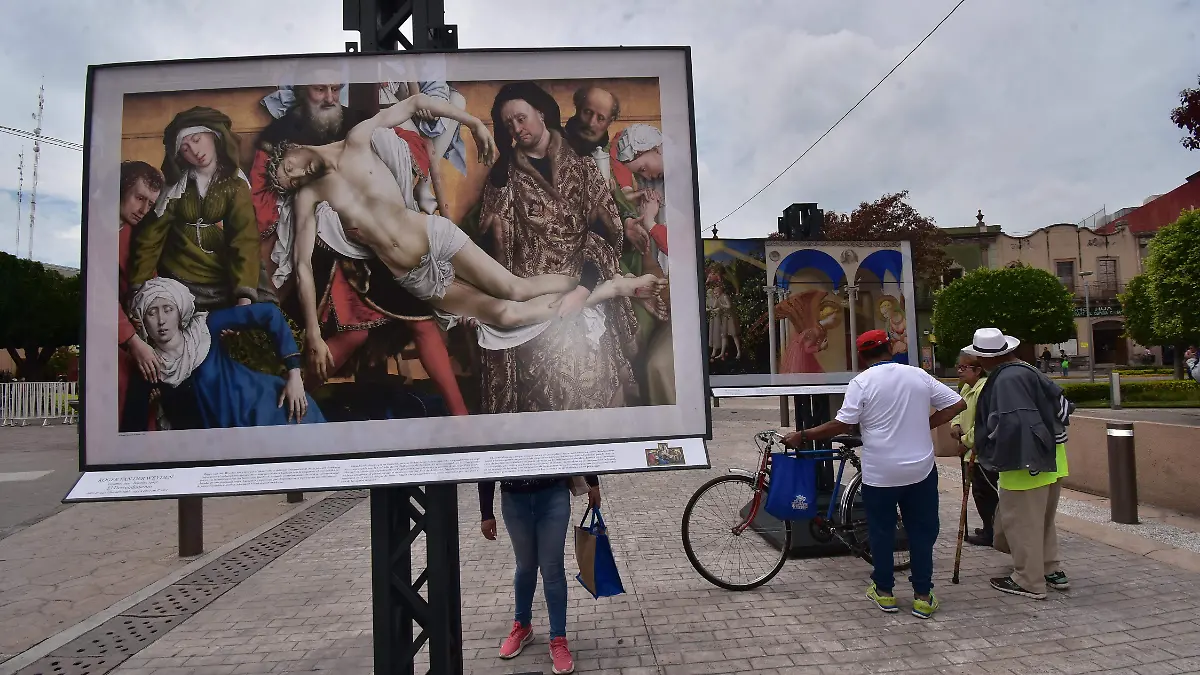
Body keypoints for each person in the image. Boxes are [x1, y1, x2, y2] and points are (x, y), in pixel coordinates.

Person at [266, 92, 664, 352]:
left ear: (293, 150)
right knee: (507, 316)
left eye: (290, 169)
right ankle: (609, 290)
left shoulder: (356, 139)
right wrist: (315, 338)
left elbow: (415, 102)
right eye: (292, 182)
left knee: (515, 288)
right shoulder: (311, 195)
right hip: (413, 275)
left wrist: (472, 123)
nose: (298, 177)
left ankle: (598, 285)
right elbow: (301, 266)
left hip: (433, 236)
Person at [252, 82, 471, 415]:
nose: (327, 98)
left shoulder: (355, 128)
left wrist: (473, 125)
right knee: (352, 335)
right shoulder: (286, 142)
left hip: (385, 241)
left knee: (422, 323)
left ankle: (460, 416)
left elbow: (403, 124)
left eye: (332, 90)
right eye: (318, 90)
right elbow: (296, 249)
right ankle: (282, 409)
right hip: (337, 253)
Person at [477, 81, 654, 412]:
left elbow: (604, 231)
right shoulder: (504, 176)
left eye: (521, 117)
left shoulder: (582, 163)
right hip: (532, 295)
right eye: (508, 124)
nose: (517, 128)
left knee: (591, 377)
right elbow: (490, 243)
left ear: (541, 114)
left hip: (585, 283)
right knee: (543, 387)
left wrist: (584, 289)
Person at [784, 329, 965, 619]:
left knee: (880, 531)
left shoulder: (861, 382)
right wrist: (924, 425)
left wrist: (803, 434)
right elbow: (957, 403)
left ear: (861, 356)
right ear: (891, 348)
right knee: (922, 531)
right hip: (920, 470)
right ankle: (922, 596)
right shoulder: (917, 375)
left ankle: (884, 592)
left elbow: (843, 423)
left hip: (880, 473)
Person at [123, 277, 325, 431]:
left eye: (168, 309)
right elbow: (132, 431)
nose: (161, 320)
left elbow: (269, 314)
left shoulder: (206, 327)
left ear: (180, 312)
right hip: (225, 439)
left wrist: (294, 375)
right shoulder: (148, 367)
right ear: (142, 319)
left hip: (264, 408)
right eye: (152, 312)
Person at [128, 107, 276, 311]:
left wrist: (244, 297)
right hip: (179, 270)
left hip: (221, 269)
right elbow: (151, 237)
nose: (195, 152)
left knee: (260, 311)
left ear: (214, 136)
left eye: (196, 140)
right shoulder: (175, 187)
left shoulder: (235, 184)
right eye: (185, 148)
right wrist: (139, 287)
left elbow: (244, 238)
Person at [966, 327, 1074, 600]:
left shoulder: (1006, 379)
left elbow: (1015, 423)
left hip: (1028, 463)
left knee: (1021, 523)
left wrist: (984, 446)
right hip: (1052, 458)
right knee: (1042, 521)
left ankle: (1028, 579)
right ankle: (1050, 570)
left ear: (985, 358)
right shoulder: (1025, 369)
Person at [479, 476, 601, 674]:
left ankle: (558, 638)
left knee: (552, 567)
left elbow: (571, 445)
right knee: (525, 565)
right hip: (514, 498)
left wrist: (593, 484)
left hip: (553, 494)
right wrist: (486, 512)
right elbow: (487, 454)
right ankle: (522, 626)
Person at [117, 161, 164, 425]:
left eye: (150, 203)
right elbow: (100, 297)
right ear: (122, 189)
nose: (144, 210)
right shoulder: (96, 230)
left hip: (133, 338)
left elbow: (150, 287)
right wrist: (135, 342)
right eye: (139, 198)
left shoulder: (138, 238)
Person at [950, 350, 997, 546]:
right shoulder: (966, 389)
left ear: (978, 370)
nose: (959, 371)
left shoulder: (983, 390)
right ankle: (989, 527)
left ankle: (993, 531)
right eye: (958, 367)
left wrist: (966, 442)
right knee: (978, 493)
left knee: (986, 494)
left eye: (964, 368)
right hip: (970, 450)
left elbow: (984, 423)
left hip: (981, 452)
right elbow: (959, 410)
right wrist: (954, 424)